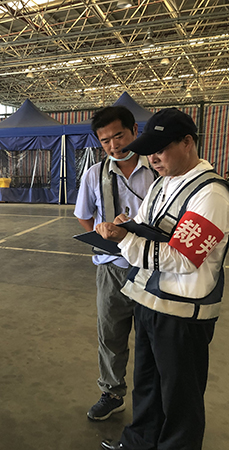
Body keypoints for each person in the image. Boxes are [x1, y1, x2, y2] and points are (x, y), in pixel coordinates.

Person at [96, 108, 229, 450]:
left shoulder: (211, 194)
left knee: (180, 397)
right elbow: (145, 224)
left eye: (160, 150)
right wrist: (126, 226)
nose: (154, 159)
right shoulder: (162, 183)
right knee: (147, 385)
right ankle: (139, 442)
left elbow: (183, 258)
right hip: (149, 302)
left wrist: (125, 239)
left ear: (187, 142)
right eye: (150, 152)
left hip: (183, 314)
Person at [75, 106, 155, 421]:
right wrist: (102, 234)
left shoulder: (157, 169)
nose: (114, 145)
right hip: (112, 268)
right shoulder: (94, 174)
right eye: (105, 140)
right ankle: (111, 392)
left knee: (152, 337)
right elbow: (83, 215)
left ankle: (151, 399)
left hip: (152, 268)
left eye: (119, 136)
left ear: (134, 130)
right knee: (110, 334)